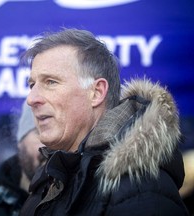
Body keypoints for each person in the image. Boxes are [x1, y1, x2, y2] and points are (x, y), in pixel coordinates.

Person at [20, 28, 189, 216]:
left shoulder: (141, 190)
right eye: (32, 85)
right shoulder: (50, 178)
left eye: (51, 82)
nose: (31, 99)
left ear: (97, 92)